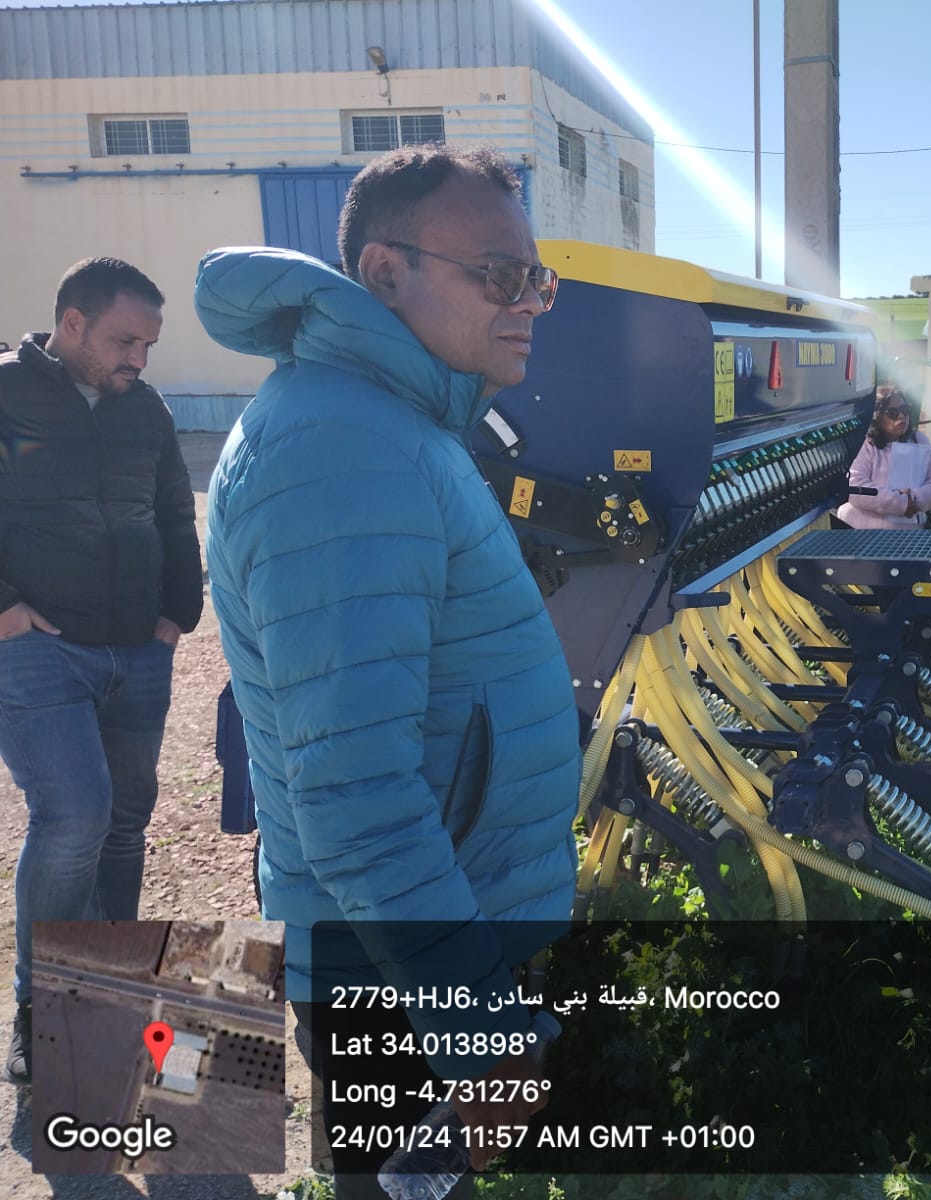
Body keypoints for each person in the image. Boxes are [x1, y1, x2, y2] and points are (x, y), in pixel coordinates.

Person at [195, 144, 576, 1195]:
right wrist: (480, 1033)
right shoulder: (340, 450)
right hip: (404, 984)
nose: (529, 302)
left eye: (536, 278)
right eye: (501, 274)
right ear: (382, 274)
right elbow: (354, 795)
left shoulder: (388, 426)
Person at [0, 258, 202, 1085]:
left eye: (149, 345)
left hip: (136, 651)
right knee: (75, 814)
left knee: (123, 823)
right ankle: (40, 1009)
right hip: (40, 648)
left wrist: (176, 613)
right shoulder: (6, 391)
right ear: (71, 323)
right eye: (126, 340)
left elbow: (173, 510)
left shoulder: (144, 408)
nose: (139, 360)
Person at [836, 385, 931, 529]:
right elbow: (855, 488)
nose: (902, 416)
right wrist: (901, 503)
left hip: (910, 533)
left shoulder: (919, 440)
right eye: (893, 413)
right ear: (877, 416)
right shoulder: (864, 444)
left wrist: (914, 500)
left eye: (905, 410)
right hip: (862, 532)